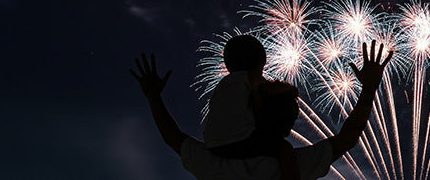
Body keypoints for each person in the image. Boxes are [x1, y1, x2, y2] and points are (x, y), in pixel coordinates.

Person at [130, 40, 394, 180]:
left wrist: (154, 97)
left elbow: (172, 136)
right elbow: (348, 137)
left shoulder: (215, 165)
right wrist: (369, 88)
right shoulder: (287, 165)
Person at [203, 34, 299, 180]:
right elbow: (267, 91)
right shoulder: (251, 78)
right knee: (286, 149)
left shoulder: (224, 84)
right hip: (240, 139)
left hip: (212, 144)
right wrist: (290, 90)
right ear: (259, 61)